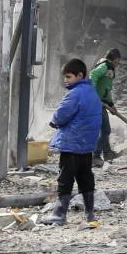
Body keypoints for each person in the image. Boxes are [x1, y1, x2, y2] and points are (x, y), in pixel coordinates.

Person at [41, 58, 102, 225]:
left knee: (65, 180)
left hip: (71, 145)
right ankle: (90, 214)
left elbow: (61, 114)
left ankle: (60, 214)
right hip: (86, 147)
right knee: (86, 179)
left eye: (68, 77)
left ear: (80, 75)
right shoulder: (92, 92)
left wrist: (54, 122)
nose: (65, 80)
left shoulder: (74, 94)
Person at [89, 48, 122, 166]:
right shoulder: (105, 66)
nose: (118, 64)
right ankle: (95, 156)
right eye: (118, 61)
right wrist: (92, 94)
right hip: (97, 103)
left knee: (105, 129)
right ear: (115, 59)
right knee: (105, 129)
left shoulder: (109, 68)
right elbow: (93, 75)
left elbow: (106, 89)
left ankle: (107, 153)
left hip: (102, 103)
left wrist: (111, 104)